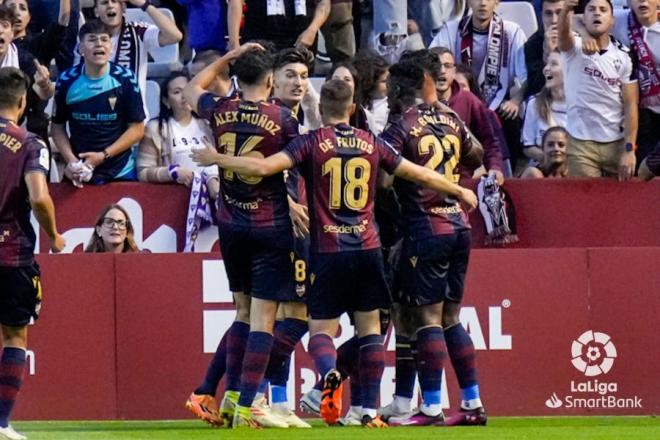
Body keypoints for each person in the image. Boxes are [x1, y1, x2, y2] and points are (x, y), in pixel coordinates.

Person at [193, 78, 478, 428]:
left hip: (328, 248)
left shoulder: (310, 142)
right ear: (354, 106)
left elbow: (263, 168)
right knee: (370, 327)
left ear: (320, 109)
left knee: (320, 331)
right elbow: (417, 172)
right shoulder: (371, 142)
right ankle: (367, 411)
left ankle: (328, 374)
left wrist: (216, 158)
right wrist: (458, 191)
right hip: (368, 247)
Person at [183, 43, 301, 429]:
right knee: (265, 319)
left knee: (242, 312)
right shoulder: (282, 118)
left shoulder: (220, 109)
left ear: (236, 77)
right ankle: (247, 403)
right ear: (270, 80)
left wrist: (226, 58)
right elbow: (277, 167)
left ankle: (232, 395)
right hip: (269, 223)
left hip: (231, 224)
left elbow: (188, 90)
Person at [0, 66, 65, 440]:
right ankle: (1, 420)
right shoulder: (29, 143)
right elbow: (39, 196)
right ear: (23, 102)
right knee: (14, 338)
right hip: (11, 253)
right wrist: (55, 235)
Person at [430, 0, 528, 168]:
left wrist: (516, 101)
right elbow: (429, 60)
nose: (483, 3)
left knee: (508, 118)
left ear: (497, 2)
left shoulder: (511, 31)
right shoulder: (452, 29)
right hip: (459, 99)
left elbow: (527, 76)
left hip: (498, 102)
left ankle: (507, 171)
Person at [51, 20, 146, 186]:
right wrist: (72, 161)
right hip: (79, 171)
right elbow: (57, 128)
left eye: (104, 39)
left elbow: (137, 129)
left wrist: (103, 156)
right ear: (81, 49)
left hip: (120, 171)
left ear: (111, 47)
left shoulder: (126, 79)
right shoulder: (66, 80)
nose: (99, 44)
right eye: (92, 39)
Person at [558, 0, 638, 180]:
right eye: (591, 10)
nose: (597, 13)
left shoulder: (624, 56)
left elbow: (630, 104)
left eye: (603, 10)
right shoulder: (573, 47)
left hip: (616, 143)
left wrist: (629, 149)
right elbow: (563, 36)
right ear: (583, 18)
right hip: (580, 143)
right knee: (585, 204)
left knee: (619, 204)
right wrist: (565, 10)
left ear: (612, 20)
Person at [576, 0, 660, 167]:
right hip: (641, 112)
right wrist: (584, 34)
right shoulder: (620, 20)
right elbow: (574, 20)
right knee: (642, 172)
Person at [82, 0, 183, 116]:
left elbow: (175, 35)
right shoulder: (87, 39)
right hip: (99, 118)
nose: (110, 5)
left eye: (114, 1)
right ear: (96, 11)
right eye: (104, 2)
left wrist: (145, 5)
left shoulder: (137, 31)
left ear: (123, 8)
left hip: (133, 118)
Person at [137, 71, 219, 199]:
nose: (184, 96)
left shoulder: (210, 125)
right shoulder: (155, 129)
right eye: (177, 92)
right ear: (166, 101)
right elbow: (143, 172)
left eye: (187, 90)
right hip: (171, 199)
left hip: (209, 197)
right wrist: (172, 172)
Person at [431, 46, 505, 183]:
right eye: (435, 65)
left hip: (465, 182)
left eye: (447, 66)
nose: (441, 71)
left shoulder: (469, 101)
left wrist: (494, 167)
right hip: (427, 183)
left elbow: (490, 141)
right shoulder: (416, 101)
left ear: (454, 71)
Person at [227, 0, 331, 53]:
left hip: (301, 39)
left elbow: (324, 2)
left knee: (299, 86)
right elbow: (235, 2)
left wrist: (312, 30)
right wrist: (234, 44)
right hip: (259, 38)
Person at [522, 51, 567, 163]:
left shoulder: (582, 105)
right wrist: (550, 159)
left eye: (553, 64)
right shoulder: (534, 103)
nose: (546, 69)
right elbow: (528, 147)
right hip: (542, 167)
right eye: (546, 64)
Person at [8, 0, 71, 67]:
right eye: (12, 7)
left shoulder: (39, 43)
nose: (17, 13)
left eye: (23, 8)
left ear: (29, 17)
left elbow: (62, 22)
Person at [524, 0, 565, 98]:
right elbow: (536, 89)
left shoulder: (582, 37)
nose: (554, 20)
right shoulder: (532, 44)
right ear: (541, 15)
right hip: (549, 103)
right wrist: (549, 55)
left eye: (559, 13)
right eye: (548, 14)